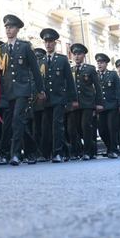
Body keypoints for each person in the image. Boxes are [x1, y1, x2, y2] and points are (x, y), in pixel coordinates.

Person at [0, 15, 44, 165]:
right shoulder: (1, 49)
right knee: (14, 122)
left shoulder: (25, 47)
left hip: (23, 89)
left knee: (17, 119)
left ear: (17, 29)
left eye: (11, 27)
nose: (8, 30)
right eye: (7, 27)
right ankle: (32, 149)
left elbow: (35, 69)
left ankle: (15, 154)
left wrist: (40, 90)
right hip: (8, 91)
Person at [39, 28, 76, 163]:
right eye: (46, 42)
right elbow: (39, 80)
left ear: (55, 43)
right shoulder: (41, 60)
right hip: (46, 99)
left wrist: (73, 99)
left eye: (50, 42)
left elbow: (69, 80)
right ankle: (55, 151)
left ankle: (58, 153)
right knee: (46, 127)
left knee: (57, 125)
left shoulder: (62, 59)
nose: (48, 44)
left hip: (59, 98)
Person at [68, 43, 102, 161]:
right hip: (74, 103)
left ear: (83, 55)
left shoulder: (90, 69)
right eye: (75, 54)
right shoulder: (70, 69)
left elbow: (97, 87)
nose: (76, 56)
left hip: (87, 103)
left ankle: (87, 152)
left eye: (79, 54)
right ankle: (77, 151)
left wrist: (99, 103)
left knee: (85, 127)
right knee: (73, 128)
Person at [94, 53, 120, 158]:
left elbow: (118, 90)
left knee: (112, 128)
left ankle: (113, 150)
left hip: (112, 105)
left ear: (106, 64)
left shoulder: (113, 74)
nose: (99, 64)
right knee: (102, 130)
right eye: (98, 63)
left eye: (101, 62)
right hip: (100, 107)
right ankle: (109, 147)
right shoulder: (95, 75)